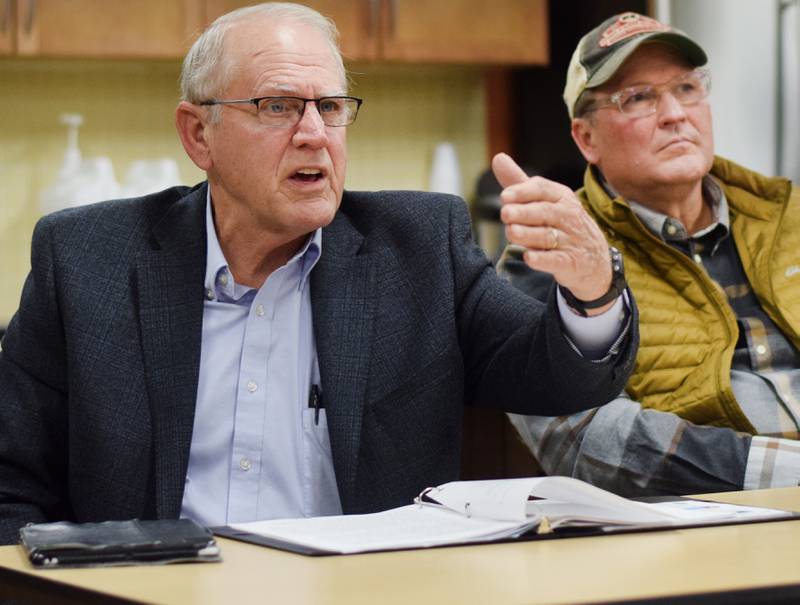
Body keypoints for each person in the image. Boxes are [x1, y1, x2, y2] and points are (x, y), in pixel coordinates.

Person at [0, 3, 637, 545]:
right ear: (199, 135)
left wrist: (590, 287)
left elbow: (554, 377)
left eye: (329, 107)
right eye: (278, 106)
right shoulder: (87, 259)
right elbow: (10, 484)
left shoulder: (418, 249)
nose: (314, 134)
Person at [503, 12, 800, 497]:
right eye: (639, 97)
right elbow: (581, 437)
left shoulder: (789, 214)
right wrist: (779, 472)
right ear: (586, 138)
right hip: (703, 530)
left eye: (686, 88)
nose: (675, 114)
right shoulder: (548, 254)